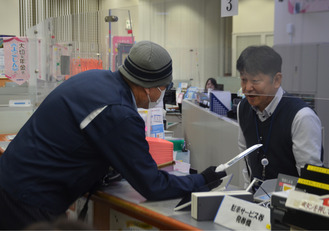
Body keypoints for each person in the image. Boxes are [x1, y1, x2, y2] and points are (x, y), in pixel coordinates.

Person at [0, 40, 226, 229]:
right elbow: (152, 185)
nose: (162, 92)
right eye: (163, 86)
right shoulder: (119, 113)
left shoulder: (96, 79)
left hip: (14, 181)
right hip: (29, 199)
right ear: (148, 86)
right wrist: (201, 180)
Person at [236, 45, 323, 182]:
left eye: (255, 81)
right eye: (243, 79)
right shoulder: (243, 107)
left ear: (276, 80)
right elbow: (245, 156)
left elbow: (311, 178)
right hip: (256, 198)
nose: (247, 88)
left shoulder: (301, 116)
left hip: (291, 200)